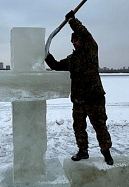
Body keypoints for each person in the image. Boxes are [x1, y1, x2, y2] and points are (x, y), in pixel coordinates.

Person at [45, 10, 113, 165]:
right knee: (79, 127)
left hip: (94, 98)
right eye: (73, 40)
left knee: (100, 126)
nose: (75, 42)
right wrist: (46, 56)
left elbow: (86, 35)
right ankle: (83, 151)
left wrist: (72, 21)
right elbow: (56, 66)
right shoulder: (72, 59)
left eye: (77, 39)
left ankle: (106, 152)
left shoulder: (91, 52)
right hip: (78, 100)